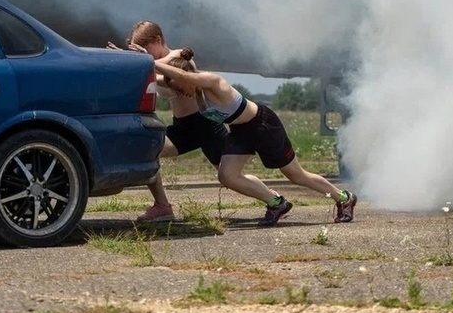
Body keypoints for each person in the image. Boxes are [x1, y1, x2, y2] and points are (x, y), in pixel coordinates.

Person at [153, 48, 357, 226]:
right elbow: (160, 78)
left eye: (180, 88)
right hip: (240, 131)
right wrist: (137, 60)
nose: (180, 93)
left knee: (296, 175)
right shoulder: (186, 86)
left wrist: (152, 61)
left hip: (263, 125)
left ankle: (343, 198)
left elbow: (185, 78)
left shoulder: (211, 81)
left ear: (186, 76)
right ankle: (276, 203)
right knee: (227, 176)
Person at [108, 21, 236, 223]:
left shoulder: (180, 58)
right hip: (183, 128)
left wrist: (137, 62)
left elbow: (163, 75)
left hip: (205, 126)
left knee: (231, 178)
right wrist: (126, 60)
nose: (144, 54)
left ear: (158, 40)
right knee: (147, 150)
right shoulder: (154, 62)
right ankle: (162, 206)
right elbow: (152, 71)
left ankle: (273, 198)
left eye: (144, 49)